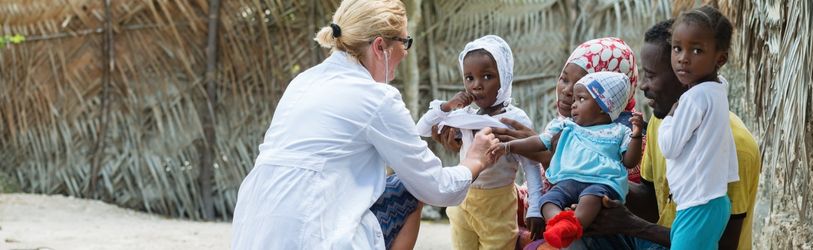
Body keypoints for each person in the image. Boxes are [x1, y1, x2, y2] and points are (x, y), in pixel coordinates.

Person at [230, 0, 501, 249]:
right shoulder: (376, 97)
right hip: (311, 237)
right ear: (380, 46)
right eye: (404, 42)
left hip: (252, 234)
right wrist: (474, 162)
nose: (405, 53)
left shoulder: (303, 81)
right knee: (409, 189)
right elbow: (434, 187)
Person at [578, 17, 760, 250]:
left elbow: (720, 244)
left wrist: (633, 226)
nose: (643, 85)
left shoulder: (733, 144)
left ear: (683, 75)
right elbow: (651, 201)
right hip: (658, 242)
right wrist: (598, 176)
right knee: (582, 230)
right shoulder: (661, 121)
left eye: (651, 76)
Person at [416, 35, 545, 249]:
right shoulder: (464, 116)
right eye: (469, 78)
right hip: (462, 200)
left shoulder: (513, 120)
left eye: (487, 76)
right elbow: (421, 129)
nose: (476, 85)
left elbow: (530, 165)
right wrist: (447, 107)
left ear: (503, 77)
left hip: (498, 205)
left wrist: (535, 207)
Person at [492, 72, 643, 248]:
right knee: (547, 201)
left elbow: (629, 162)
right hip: (567, 182)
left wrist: (637, 135)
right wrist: (510, 146)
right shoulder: (566, 125)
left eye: (581, 99)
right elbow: (540, 142)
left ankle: (574, 226)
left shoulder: (619, 131)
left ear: (603, 106)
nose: (573, 104)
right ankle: (559, 225)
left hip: (600, 182)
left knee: (591, 199)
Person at [488, 37, 644, 183]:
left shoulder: (627, 138)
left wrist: (548, 157)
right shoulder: (566, 126)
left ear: (608, 93)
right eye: (564, 79)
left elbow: (600, 193)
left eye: (581, 84)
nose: (567, 90)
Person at [658, 6, 739, 249]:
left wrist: (668, 120)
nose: (683, 57)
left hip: (697, 203)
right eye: (677, 48)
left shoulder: (693, 98)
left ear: (720, 58)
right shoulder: (717, 90)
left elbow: (670, 148)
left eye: (697, 50)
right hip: (713, 201)